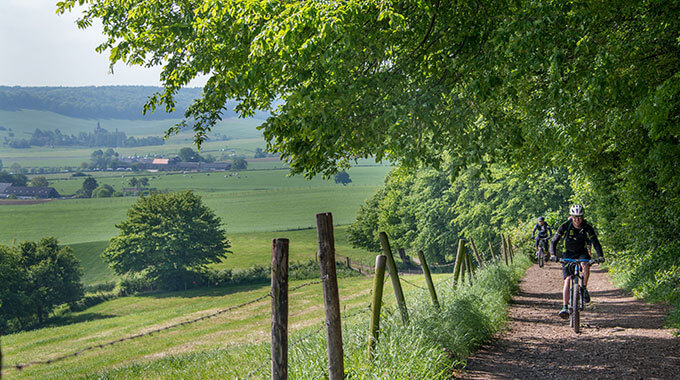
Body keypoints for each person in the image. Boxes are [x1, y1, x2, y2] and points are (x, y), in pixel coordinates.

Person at [550, 205, 605, 318]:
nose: (577, 220)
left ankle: (583, 288)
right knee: (568, 279)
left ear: (583, 217)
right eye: (575, 217)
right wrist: (553, 254)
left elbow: (595, 242)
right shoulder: (565, 226)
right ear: (571, 217)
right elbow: (553, 241)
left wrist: (600, 256)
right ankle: (564, 306)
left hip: (582, 252)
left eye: (579, 217)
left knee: (585, 265)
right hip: (568, 253)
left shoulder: (587, 227)